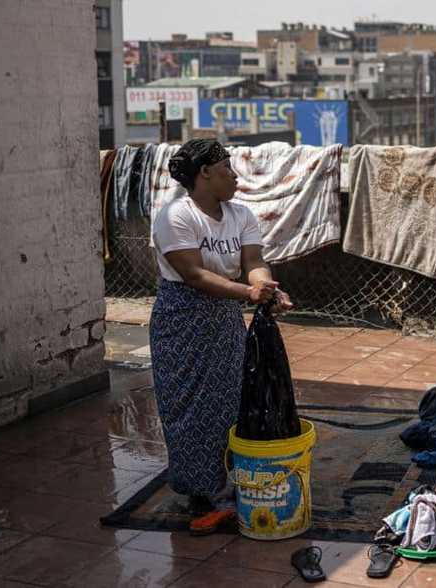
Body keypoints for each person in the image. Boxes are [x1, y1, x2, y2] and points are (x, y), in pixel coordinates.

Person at [149, 139, 294, 526]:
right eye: (228, 168)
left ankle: (227, 478)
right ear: (205, 173)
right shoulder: (175, 217)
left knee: (230, 397)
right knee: (189, 405)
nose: (234, 175)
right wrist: (250, 292)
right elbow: (193, 274)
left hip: (226, 318)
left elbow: (253, 261)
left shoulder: (240, 214)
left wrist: (267, 288)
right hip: (182, 319)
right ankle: (199, 495)